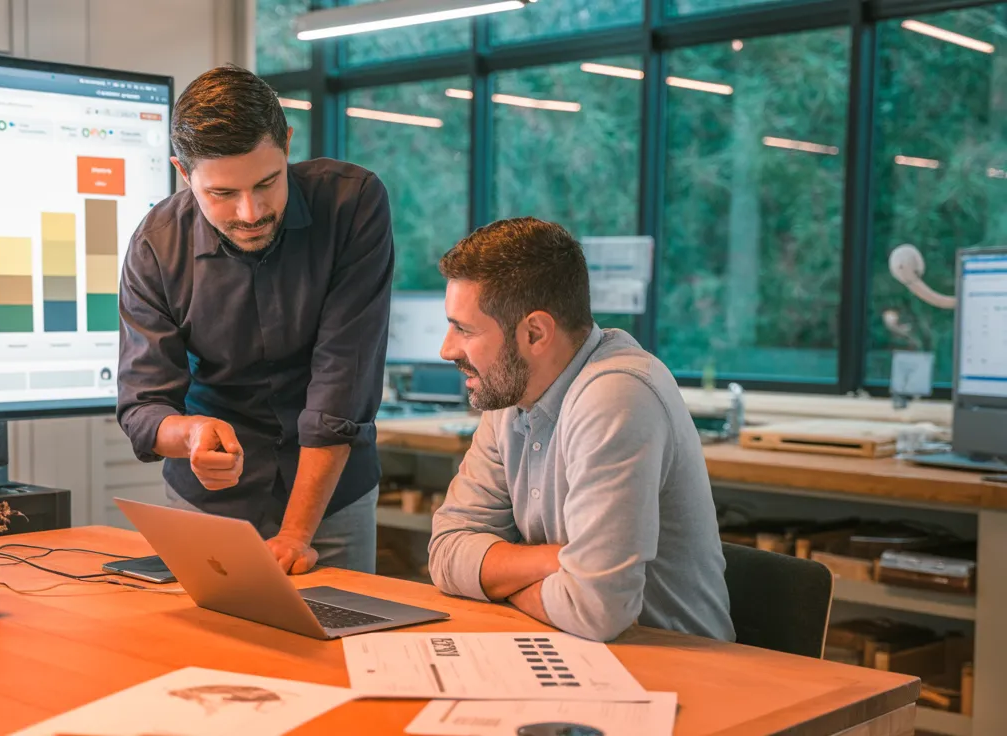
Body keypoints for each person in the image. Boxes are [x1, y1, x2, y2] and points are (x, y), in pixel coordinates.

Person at [117, 65, 393, 575]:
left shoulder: (352, 205)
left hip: (330, 497)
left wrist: (296, 534)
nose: (250, 212)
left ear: (287, 143)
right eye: (222, 194)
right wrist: (191, 434)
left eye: (267, 182)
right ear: (184, 174)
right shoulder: (156, 245)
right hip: (209, 502)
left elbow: (342, 385)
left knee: (342, 626)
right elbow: (142, 406)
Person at [428, 217, 734, 642]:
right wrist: (556, 562)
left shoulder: (616, 396)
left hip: (671, 663)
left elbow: (595, 610)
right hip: (566, 647)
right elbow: (446, 552)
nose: (446, 349)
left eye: (464, 329)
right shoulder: (511, 393)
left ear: (535, 333)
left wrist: (500, 581)